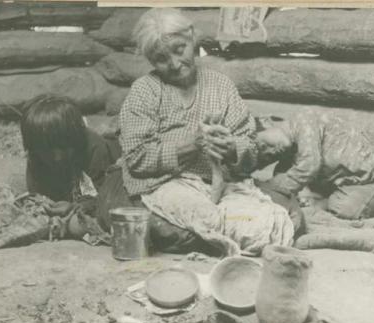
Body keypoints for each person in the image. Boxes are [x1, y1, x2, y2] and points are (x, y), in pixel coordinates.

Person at [98, 8, 296, 256]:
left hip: (215, 184)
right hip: (163, 185)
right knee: (211, 222)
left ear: (192, 37)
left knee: (270, 216)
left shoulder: (220, 86)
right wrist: (193, 144)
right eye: (160, 58)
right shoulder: (144, 92)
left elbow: (251, 149)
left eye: (179, 49)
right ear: (150, 60)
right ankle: (222, 233)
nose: (174, 63)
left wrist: (233, 148)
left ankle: (221, 233)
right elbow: (138, 159)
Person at [255, 112, 374, 220]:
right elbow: (283, 172)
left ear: (265, 121)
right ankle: (321, 200)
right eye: (267, 156)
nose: (271, 152)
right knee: (282, 176)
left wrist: (272, 193)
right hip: (340, 184)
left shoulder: (304, 120)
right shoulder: (288, 148)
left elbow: (309, 165)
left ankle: (323, 203)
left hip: (372, 183)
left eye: (263, 145)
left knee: (343, 208)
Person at [20, 94, 121, 220]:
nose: (57, 157)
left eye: (63, 149)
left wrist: (76, 206)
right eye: (47, 152)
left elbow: (104, 197)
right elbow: (37, 195)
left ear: (75, 138)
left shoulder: (94, 148)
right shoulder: (35, 154)